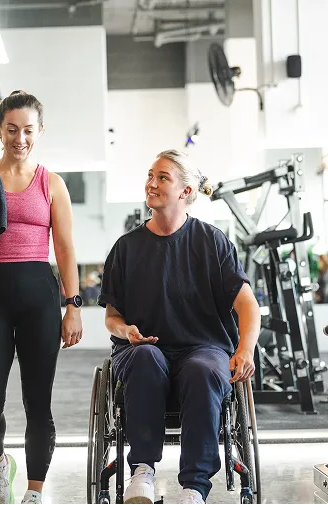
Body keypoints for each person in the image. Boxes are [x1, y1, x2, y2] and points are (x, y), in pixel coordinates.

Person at [97, 149, 261, 505]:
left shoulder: (212, 242)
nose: (151, 183)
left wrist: (244, 349)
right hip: (141, 349)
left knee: (204, 369)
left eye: (163, 178)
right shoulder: (126, 248)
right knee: (145, 358)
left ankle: (194, 488)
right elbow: (112, 317)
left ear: (186, 192)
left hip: (202, 348)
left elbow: (248, 305)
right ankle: (141, 471)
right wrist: (126, 331)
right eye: (150, 175)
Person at [0, 91, 83, 505]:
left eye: (28, 130)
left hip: (39, 299)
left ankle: (34, 491)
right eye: (11, 129)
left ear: (39, 131)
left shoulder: (52, 183)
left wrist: (72, 306)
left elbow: (65, 249)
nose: (19, 138)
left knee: (37, 401)